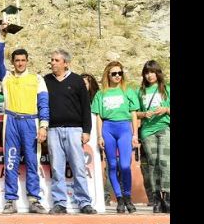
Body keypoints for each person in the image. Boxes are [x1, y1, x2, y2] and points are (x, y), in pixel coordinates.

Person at [43, 49, 97, 214]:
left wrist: (86, 130)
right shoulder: (45, 81)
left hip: (74, 130)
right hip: (53, 130)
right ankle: (59, 202)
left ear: (65, 63)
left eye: (56, 60)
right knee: (57, 169)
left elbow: (85, 108)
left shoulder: (77, 80)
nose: (52, 62)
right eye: (51, 59)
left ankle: (84, 202)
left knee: (79, 167)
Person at [1, 48, 50, 214]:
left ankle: (34, 200)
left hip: (30, 122)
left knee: (32, 162)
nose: (20, 63)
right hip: (12, 121)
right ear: (12, 62)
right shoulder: (6, 77)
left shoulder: (37, 79)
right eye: (17, 60)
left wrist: (43, 125)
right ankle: (10, 200)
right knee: (10, 161)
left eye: (23, 60)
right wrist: (1, 37)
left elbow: (43, 104)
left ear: (27, 61)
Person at [92, 61, 140, 214]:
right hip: (108, 128)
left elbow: (133, 113)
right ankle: (119, 198)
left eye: (120, 73)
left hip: (124, 128)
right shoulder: (101, 94)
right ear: (108, 75)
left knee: (125, 165)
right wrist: (100, 136)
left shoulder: (128, 91)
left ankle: (127, 196)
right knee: (112, 165)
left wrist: (135, 134)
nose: (117, 76)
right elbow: (98, 116)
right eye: (114, 73)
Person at [136, 60, 170, 213]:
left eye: (152, 72)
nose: (150, 75)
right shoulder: (140, 92)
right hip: (147, 131)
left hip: (164, 127)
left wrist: (165, 109)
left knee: (165, 163)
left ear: (158, 73)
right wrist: (144, 114)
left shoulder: (166, 89)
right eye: (147, 72)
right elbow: (134, 112)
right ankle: (156, 199)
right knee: (152, 165)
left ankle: (167, 197)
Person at [82, 73, 108, 205]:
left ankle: (105, 194)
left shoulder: (96, 98)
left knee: (101, 165)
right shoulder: (77, 98)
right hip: (85, 137)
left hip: (98, 135)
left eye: (85, 83)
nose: (82, 86)